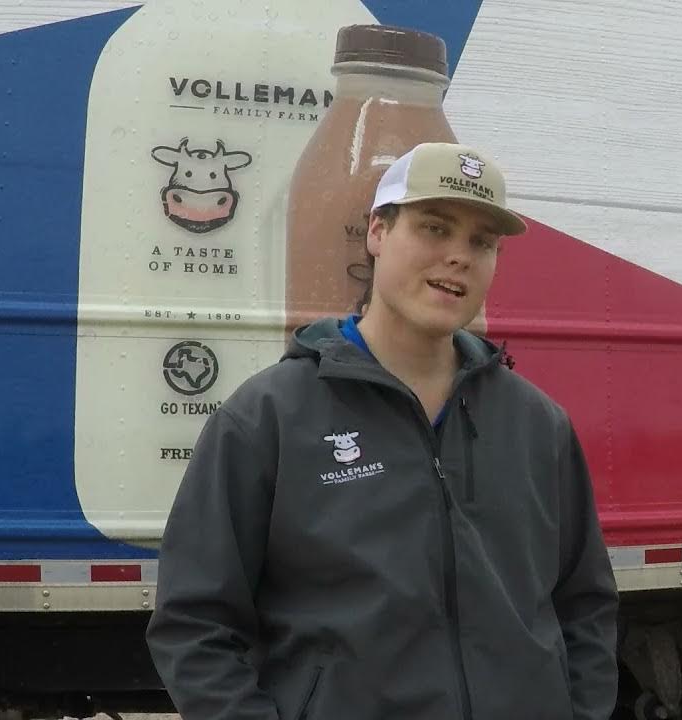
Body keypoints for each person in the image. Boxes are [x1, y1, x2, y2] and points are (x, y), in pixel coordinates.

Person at [147, 142, 619, 720]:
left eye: (481, 242)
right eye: (434, 228)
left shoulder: (539, 424)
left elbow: (585, 607)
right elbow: (194, 624)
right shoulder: (268, 416)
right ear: (377, 231)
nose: (458, 257)